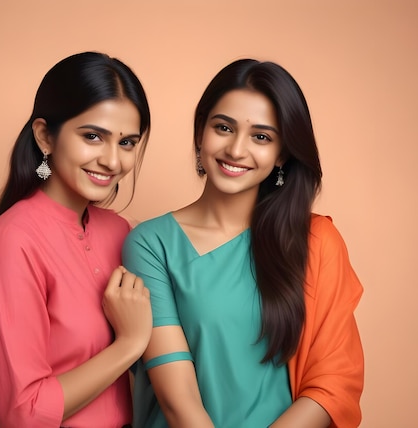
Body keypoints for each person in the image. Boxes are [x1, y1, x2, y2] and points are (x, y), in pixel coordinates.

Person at [122, 59, 364, 428]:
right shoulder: (152, 244)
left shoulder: (317, 242)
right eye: (223, 127)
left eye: (261, 137)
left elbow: (332, 383)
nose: (236, 149)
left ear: (282, 153)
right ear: (201, 130)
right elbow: (179, 401)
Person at [0, 51, 153, 428]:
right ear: (45, 136)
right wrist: (130, 344)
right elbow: (25, 413)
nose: (112, 161)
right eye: (93, 136)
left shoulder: (121, 232)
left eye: (127, 142)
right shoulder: (10, 244)